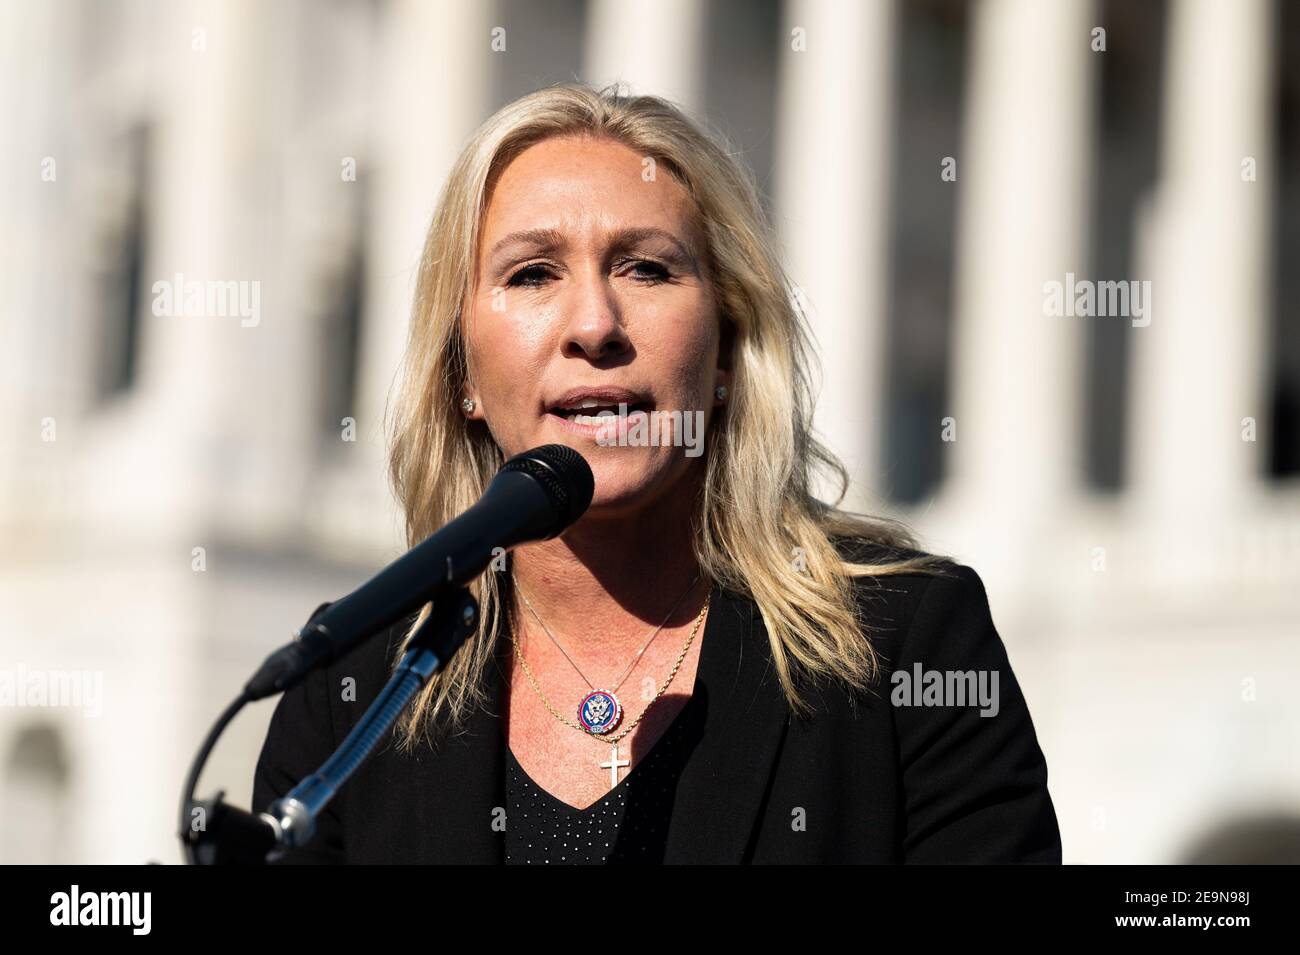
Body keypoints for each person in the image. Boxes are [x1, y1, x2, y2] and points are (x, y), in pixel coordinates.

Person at [253, 83, 1061, 864]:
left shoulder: (907, 645)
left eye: (646, 268)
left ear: (727, 347)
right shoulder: (351, 688)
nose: (596, 324)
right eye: (532, 273)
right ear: (462, 370)